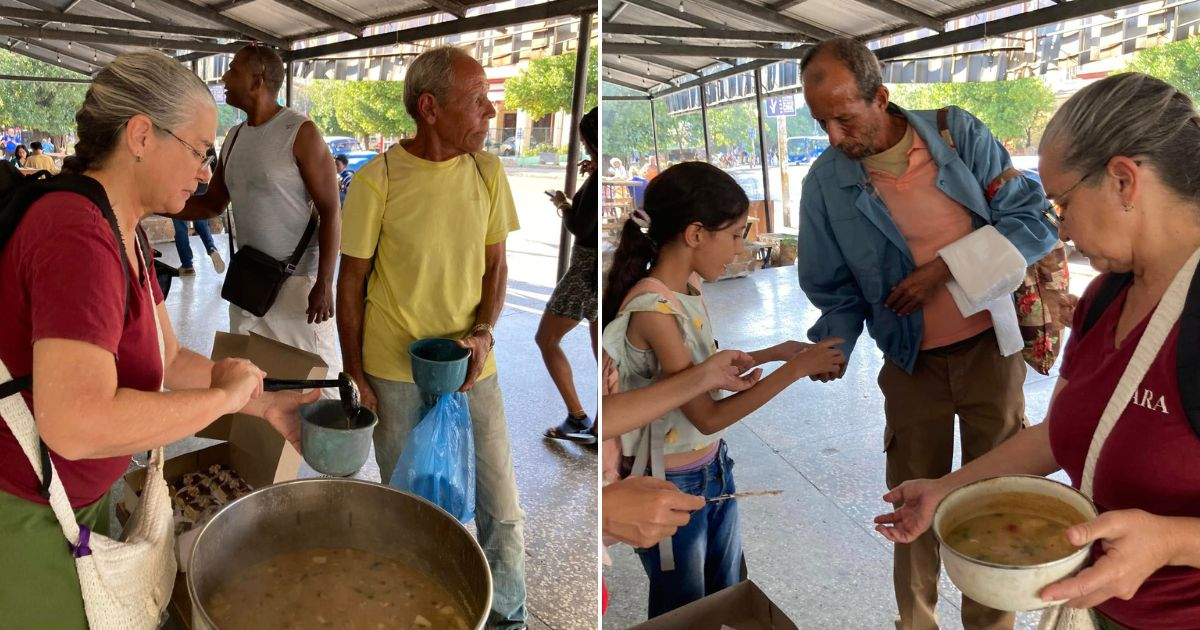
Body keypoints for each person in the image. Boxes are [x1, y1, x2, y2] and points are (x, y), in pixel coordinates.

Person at [0, 50, 314, 628]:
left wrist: (260, 403)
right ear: (141, 135)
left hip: (68, 497)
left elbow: (168, 359)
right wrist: (220, 401)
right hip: (22, 507)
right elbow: (75, 423)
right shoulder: (76, 233)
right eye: (199, 150)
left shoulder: (123, 227)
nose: (204, 172)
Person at [875, 72, 1200, 630]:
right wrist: (945, 490)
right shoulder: (1104, 298)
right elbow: (1060, 433)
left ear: (1124, 180)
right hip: (1107, 609)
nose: (1060, 228)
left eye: (1062, 203)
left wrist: (1170, 541)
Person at [795, 38, 1059, 630]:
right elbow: (833, 287)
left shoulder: (957, 136)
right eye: (822, 123)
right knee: (913, 506)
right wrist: (830, 349)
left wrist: (942, 270)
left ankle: (990, 624)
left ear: (881, 98)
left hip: (992, 353)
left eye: (845, 118)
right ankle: (915, 622)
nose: (835, 137)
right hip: (911, 366)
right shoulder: (824, 183)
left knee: (991, 501)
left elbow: (1032, 219)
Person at [336, 46, 526, 630]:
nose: (490, 112)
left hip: (474, 366)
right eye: (477, 101)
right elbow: (352, 284)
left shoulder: (487, 173)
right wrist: (355, 373)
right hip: (393, 369)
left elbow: (496, 269)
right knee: (409, 501)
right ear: (430, 108)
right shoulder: (377, 181)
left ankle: (508, 614)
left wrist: (485, 332)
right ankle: (417, 607)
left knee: (500, 503)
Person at [602, 161, 846, 618]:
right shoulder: (654, 308)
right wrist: (794, 372)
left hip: (712, 464)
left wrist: (778, 352)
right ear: (695, 234)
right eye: (734, 234)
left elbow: (705, 370)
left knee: (726, 590)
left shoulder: (687, 286)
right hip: (669, 480)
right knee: (686, 608)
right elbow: (707, 415)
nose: (740, 247)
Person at [178, 44, 341, 376]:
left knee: (311, 383)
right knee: (252, 382)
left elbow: (330, 209)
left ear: (257, 81)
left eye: (233, 70)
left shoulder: (300, 132)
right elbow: (212, 202)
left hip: (298, 287)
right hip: (250, 284)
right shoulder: (235, 137)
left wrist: (324, 284)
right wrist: (157, 203)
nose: (224, 77)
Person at [540, 106, 599, 443]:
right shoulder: (599, 170)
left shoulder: (596, 174)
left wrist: (563, 204)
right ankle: (602, 426)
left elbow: (580, 225)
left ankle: (577, 417)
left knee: (547, 339)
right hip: (602, 271)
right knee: (603, 353)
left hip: (584, 270)